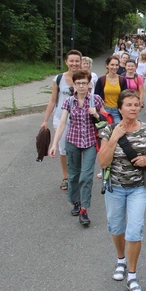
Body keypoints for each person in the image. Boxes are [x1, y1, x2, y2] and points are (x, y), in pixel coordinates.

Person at [98, 90, 146, 291]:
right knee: (117, 227)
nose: (133, 108)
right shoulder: (109, 130)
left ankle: (132, 276)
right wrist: (115, 137)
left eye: (136, 105)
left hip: (138, 188)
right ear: (120, 108)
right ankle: (120, 260)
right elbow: (103, 162)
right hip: (115, 187)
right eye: (129, 105)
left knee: (135, 230)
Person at [48, 70, 104, 225]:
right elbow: (62, 123)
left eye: (84, 83)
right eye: (78, 83)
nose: (81, 86)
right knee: (73, 176)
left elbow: (106, 120)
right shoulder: (69, 102)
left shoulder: (96, 100)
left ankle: (84, 209)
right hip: (72, 142)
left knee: (86, 177)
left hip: (90, 143)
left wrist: (97, 115)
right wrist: (54, 144)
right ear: (74, 84)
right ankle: (75, 201)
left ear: (88, 84)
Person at [40, 49, 82, 191]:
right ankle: (66, 177)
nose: (74, 63)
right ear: (66, 62)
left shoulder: (84, 79)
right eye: (71, 61)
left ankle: (77, 175)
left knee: (79, 149)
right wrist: (45, 120)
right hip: (60, 119)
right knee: (63, 150)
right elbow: (52, 101)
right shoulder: (58, 79)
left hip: (79, 121)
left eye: (77, 61)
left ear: (80, 62)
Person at [95, 56, 128, 123]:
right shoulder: (101, 80)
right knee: (105, 131)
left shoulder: (122, 80)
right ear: (107, 65)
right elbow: (96, 97)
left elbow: (125, 97)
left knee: (118, 129)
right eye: (112, 65)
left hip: (117, 111)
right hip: (104, 110)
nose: (114, 67)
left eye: (116, 65)